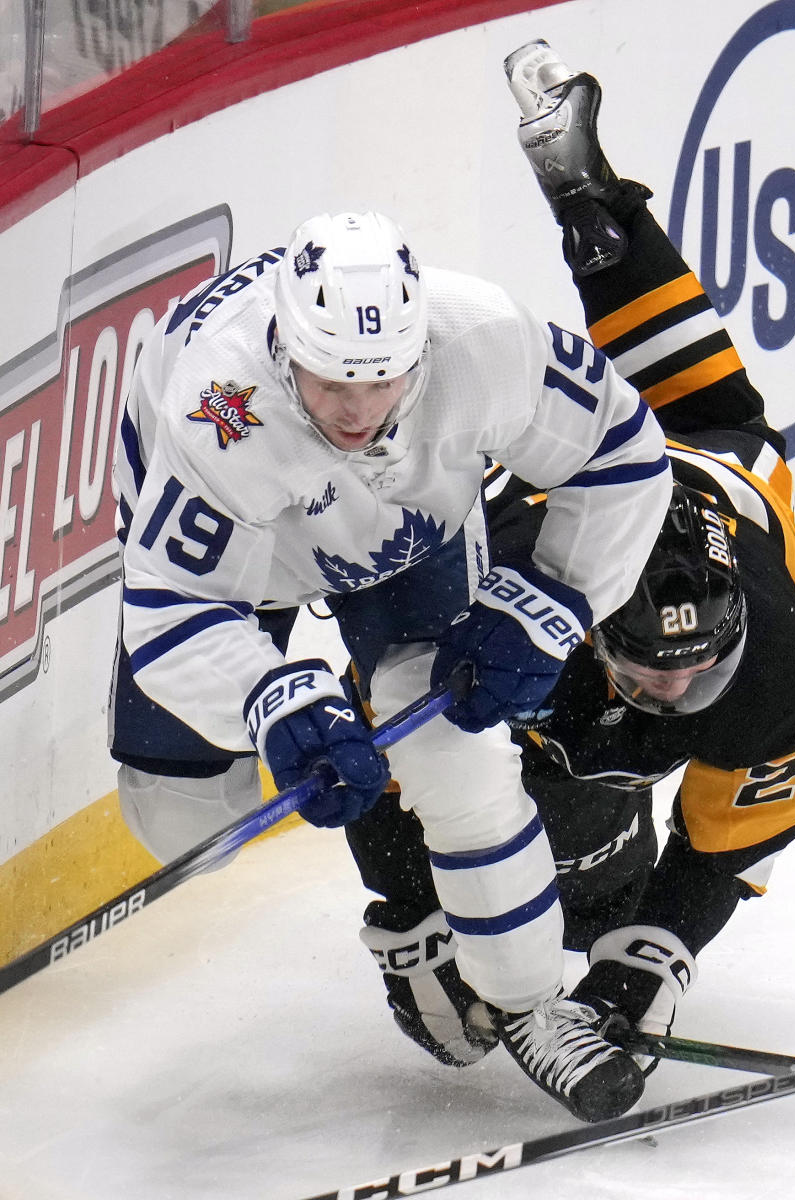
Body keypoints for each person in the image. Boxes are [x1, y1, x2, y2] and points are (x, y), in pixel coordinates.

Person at [108, 148, 674, 1119]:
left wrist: (552, 601)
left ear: (420, 346)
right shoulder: (221, 407)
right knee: (180, 824)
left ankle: (533, 1003)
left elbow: (623, 453)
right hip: (237, 554)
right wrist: (272, 700)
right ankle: (414, 907)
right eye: (332, 383)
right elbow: (168, 603)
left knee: (458, 757)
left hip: (401, 536)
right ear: (286, 349)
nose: (358, 410)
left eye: (383, 381)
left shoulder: (481, 337)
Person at [344, 39, 795, 1105]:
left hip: (702, 461)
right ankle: (590, 213)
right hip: (537, 503)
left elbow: (730, 836)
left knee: (708, 408)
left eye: (698, 670)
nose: (677, 694)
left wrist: (639, 971)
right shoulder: (498, 594)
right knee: (529, 842)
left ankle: (592, 204)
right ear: (591, 625)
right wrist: (411, 915)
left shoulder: (781, 671)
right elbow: (379, 745)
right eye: (651, 673)